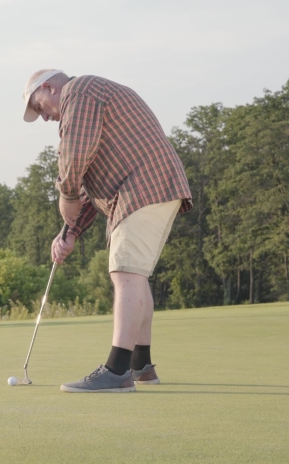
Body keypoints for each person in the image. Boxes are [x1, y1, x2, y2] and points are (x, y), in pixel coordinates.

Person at [22, 69, 192, 393]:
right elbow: (88, 179)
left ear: (48, 87)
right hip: (149, 187)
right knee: (134, 274)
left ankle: (117, 371)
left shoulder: (80, 91)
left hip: (145, 186)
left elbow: (74, 154)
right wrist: (70, 232)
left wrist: (66, 193)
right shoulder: (88, 100)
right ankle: (141, 366)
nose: (43, 117)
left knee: (126, 272)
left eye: (38, 106)